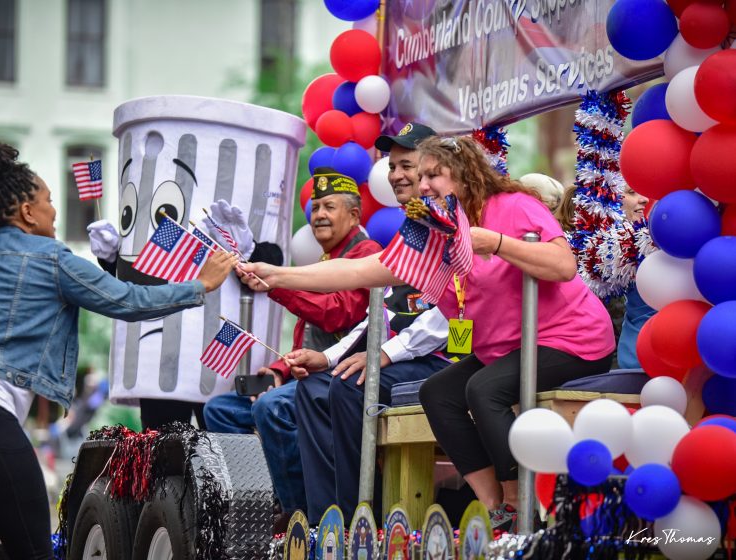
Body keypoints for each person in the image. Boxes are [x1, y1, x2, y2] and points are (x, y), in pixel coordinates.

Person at [239, 135, 614, 530]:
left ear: (465, 176)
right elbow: (361, 271)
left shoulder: (512, 206)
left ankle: (518, 504)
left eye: (433, 174)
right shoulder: (433, 230)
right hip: (505, 349)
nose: (422, 185)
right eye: (421, 177)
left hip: (571, 340)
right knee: (437, 393)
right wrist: (279, 275)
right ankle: (494, 507)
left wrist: (498, 242)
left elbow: (563, 266)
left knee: (483, 390)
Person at [0, 144, 236, 559]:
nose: (55, 211)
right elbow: (126, 301)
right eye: (49, 201)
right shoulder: (53, 259)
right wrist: (202, 285)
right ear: (27, 212)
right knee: (33, 549)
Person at [292, 123, 452, 525]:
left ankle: (357, 521)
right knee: (312, 387)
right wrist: (327, 357)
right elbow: (380, 314)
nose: (396, 174)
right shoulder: (413, 227)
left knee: (349, 387)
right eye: (392, 165)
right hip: (406, 353)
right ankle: (322, 523)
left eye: (407, 165)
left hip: (452, 356)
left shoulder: (451, 221)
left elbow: (451, 314)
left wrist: (381, 354)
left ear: (435, 168)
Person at [205, 167, 381, 522]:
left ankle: (299, 515)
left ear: (354, 215)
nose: (318, 215)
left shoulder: (367, 254)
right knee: (219, 410)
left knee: (271, 409)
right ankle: (257, 504)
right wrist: (278, 369)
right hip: (306, 376)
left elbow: (338, 316)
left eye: (329, 207)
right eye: (315, 208)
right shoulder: (323, 262)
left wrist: (277, 285)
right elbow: (309, 335)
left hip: (339, 378)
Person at [86, 200, 283, 429]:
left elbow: (278, 269)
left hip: (229, 355)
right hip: (158, 350)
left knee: (227, 449)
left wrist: (249, 251)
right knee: (164, 451)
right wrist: (115, 261)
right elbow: (144, 282)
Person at [616, 187, 655, 368]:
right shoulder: (597, 254)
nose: (645, 199)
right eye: (631, 192)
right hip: (632, 362)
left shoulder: (656, 242)